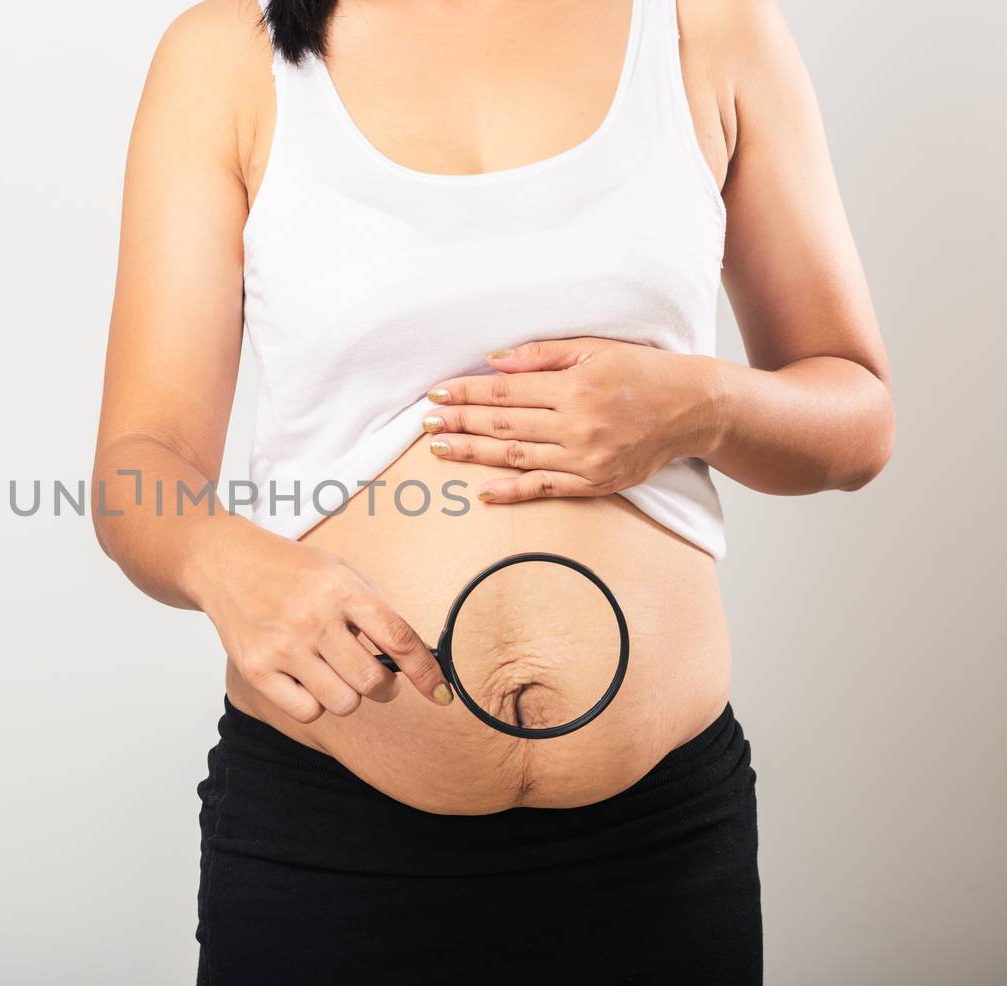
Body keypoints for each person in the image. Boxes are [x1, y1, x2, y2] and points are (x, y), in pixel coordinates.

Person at [92, 0, 893, 981]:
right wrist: (224, 562)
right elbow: (139, 466)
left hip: (657, 846)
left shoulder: (704, 28)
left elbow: (857, 420)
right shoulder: (227, 58)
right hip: (329, 843)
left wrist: (699, 405)